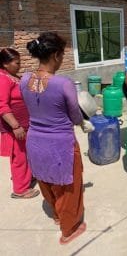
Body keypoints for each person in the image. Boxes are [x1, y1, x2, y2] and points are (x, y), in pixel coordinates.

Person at [20, 32, 88, 245]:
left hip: (35, 142)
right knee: (68, 186)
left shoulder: (24, 79)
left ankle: (57, 216)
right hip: (60, 145)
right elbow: (76, 117)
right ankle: (69, 230)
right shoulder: (63, 84)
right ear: (57, 55)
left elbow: (37, 100)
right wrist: (82, 117)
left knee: (47, 181)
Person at [0, 48, 40, 199]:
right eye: (17, 62)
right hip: (14, 127)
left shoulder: (11, 76)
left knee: (26, 153)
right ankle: (20, 189)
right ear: (5, 63)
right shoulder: (2, 79)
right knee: (19, 157)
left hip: (23, 124)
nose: (20, 65)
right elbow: (2, 105)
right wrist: (15, 126)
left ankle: (26, 177)